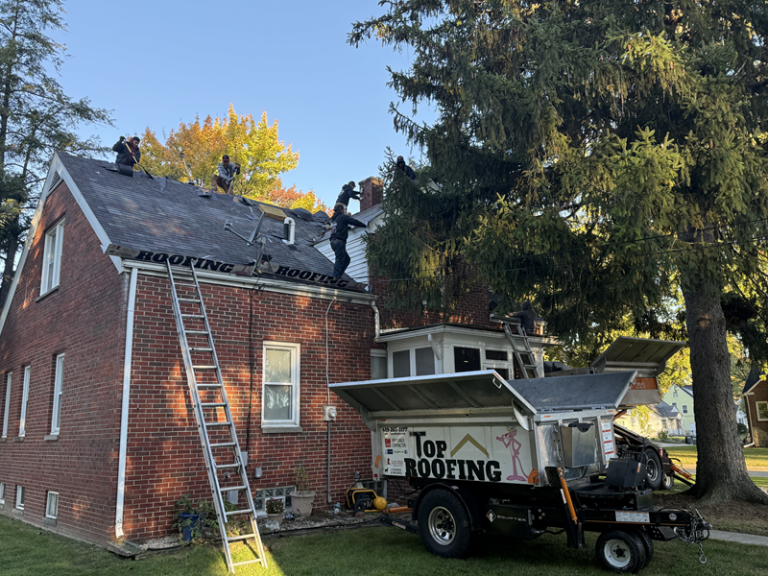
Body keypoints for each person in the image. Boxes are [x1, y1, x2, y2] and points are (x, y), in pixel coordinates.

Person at [330, 203, 367, 279]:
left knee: (346, 259)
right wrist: (364, 225)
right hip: (339, 241)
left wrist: (347, 228)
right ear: (341, 209)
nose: (344, 211)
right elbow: (353, 221)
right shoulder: (343, 217)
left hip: (333, 242)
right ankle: (335, 276)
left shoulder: (334, 220)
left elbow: (340, 227)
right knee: (339, 259)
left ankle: (338, 275)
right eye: (343, 210)